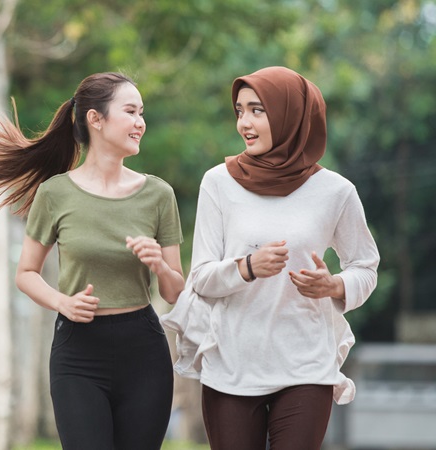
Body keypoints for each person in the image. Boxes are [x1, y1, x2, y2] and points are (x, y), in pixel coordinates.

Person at [0, 72, 185, 449]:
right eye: (130, 111)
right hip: (79, 354)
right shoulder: (55, 193)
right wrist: (63, 301)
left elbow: (174, 291)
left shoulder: (158, 194)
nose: (141, 122)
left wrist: (160, 264)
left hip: (144, 354)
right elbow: (26, 273)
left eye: (142, 112)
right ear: (95, 119)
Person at [163, 66, 380, 450]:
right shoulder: (218, 182)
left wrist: (334, 285)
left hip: (306, 364)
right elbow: (200, 278)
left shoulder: (336, 192)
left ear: (290, 114)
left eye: (257, 110)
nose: (244, 123)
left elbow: (365, 266)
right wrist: (247, 267)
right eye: (239, 111)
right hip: (232, 364)